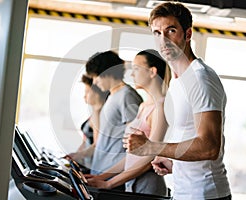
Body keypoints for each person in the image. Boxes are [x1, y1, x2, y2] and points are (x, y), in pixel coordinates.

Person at [123, 2, 231, 200]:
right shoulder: (177, 80)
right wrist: (173, 160)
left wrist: (152, 147)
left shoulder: (200, 79)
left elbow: (209, 146)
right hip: (184, 191)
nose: (163, 40)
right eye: (157, 33)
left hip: (205, 194)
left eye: (170, 31)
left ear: (188, 34)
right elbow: (190, 135)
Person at [85, 49, 171, 196]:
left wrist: (110, 183)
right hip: (132, 183)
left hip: (147, 185)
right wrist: (101, 177)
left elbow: (150, 156)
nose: (132, 74)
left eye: (136, 69)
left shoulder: (160, 108)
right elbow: (131, 156)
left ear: (152, 72)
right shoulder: (144, 106)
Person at [85, 50, 143, 189]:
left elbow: (137, 144)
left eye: (96, 77)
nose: (94, 82)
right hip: (101, 174)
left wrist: (107, 179)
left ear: (106, 73)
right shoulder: (112, 96)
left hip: (113, 179)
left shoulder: (127, 96)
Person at [64, 74, 108, 170]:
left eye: (87, 92)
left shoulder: (102, 114)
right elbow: (86, 141)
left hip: (93, 165)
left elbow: (97, 145)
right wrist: (75, 155)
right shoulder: (94, 113)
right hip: (86, 161)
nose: (84, 96)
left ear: (97, 92)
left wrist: (79, 155)